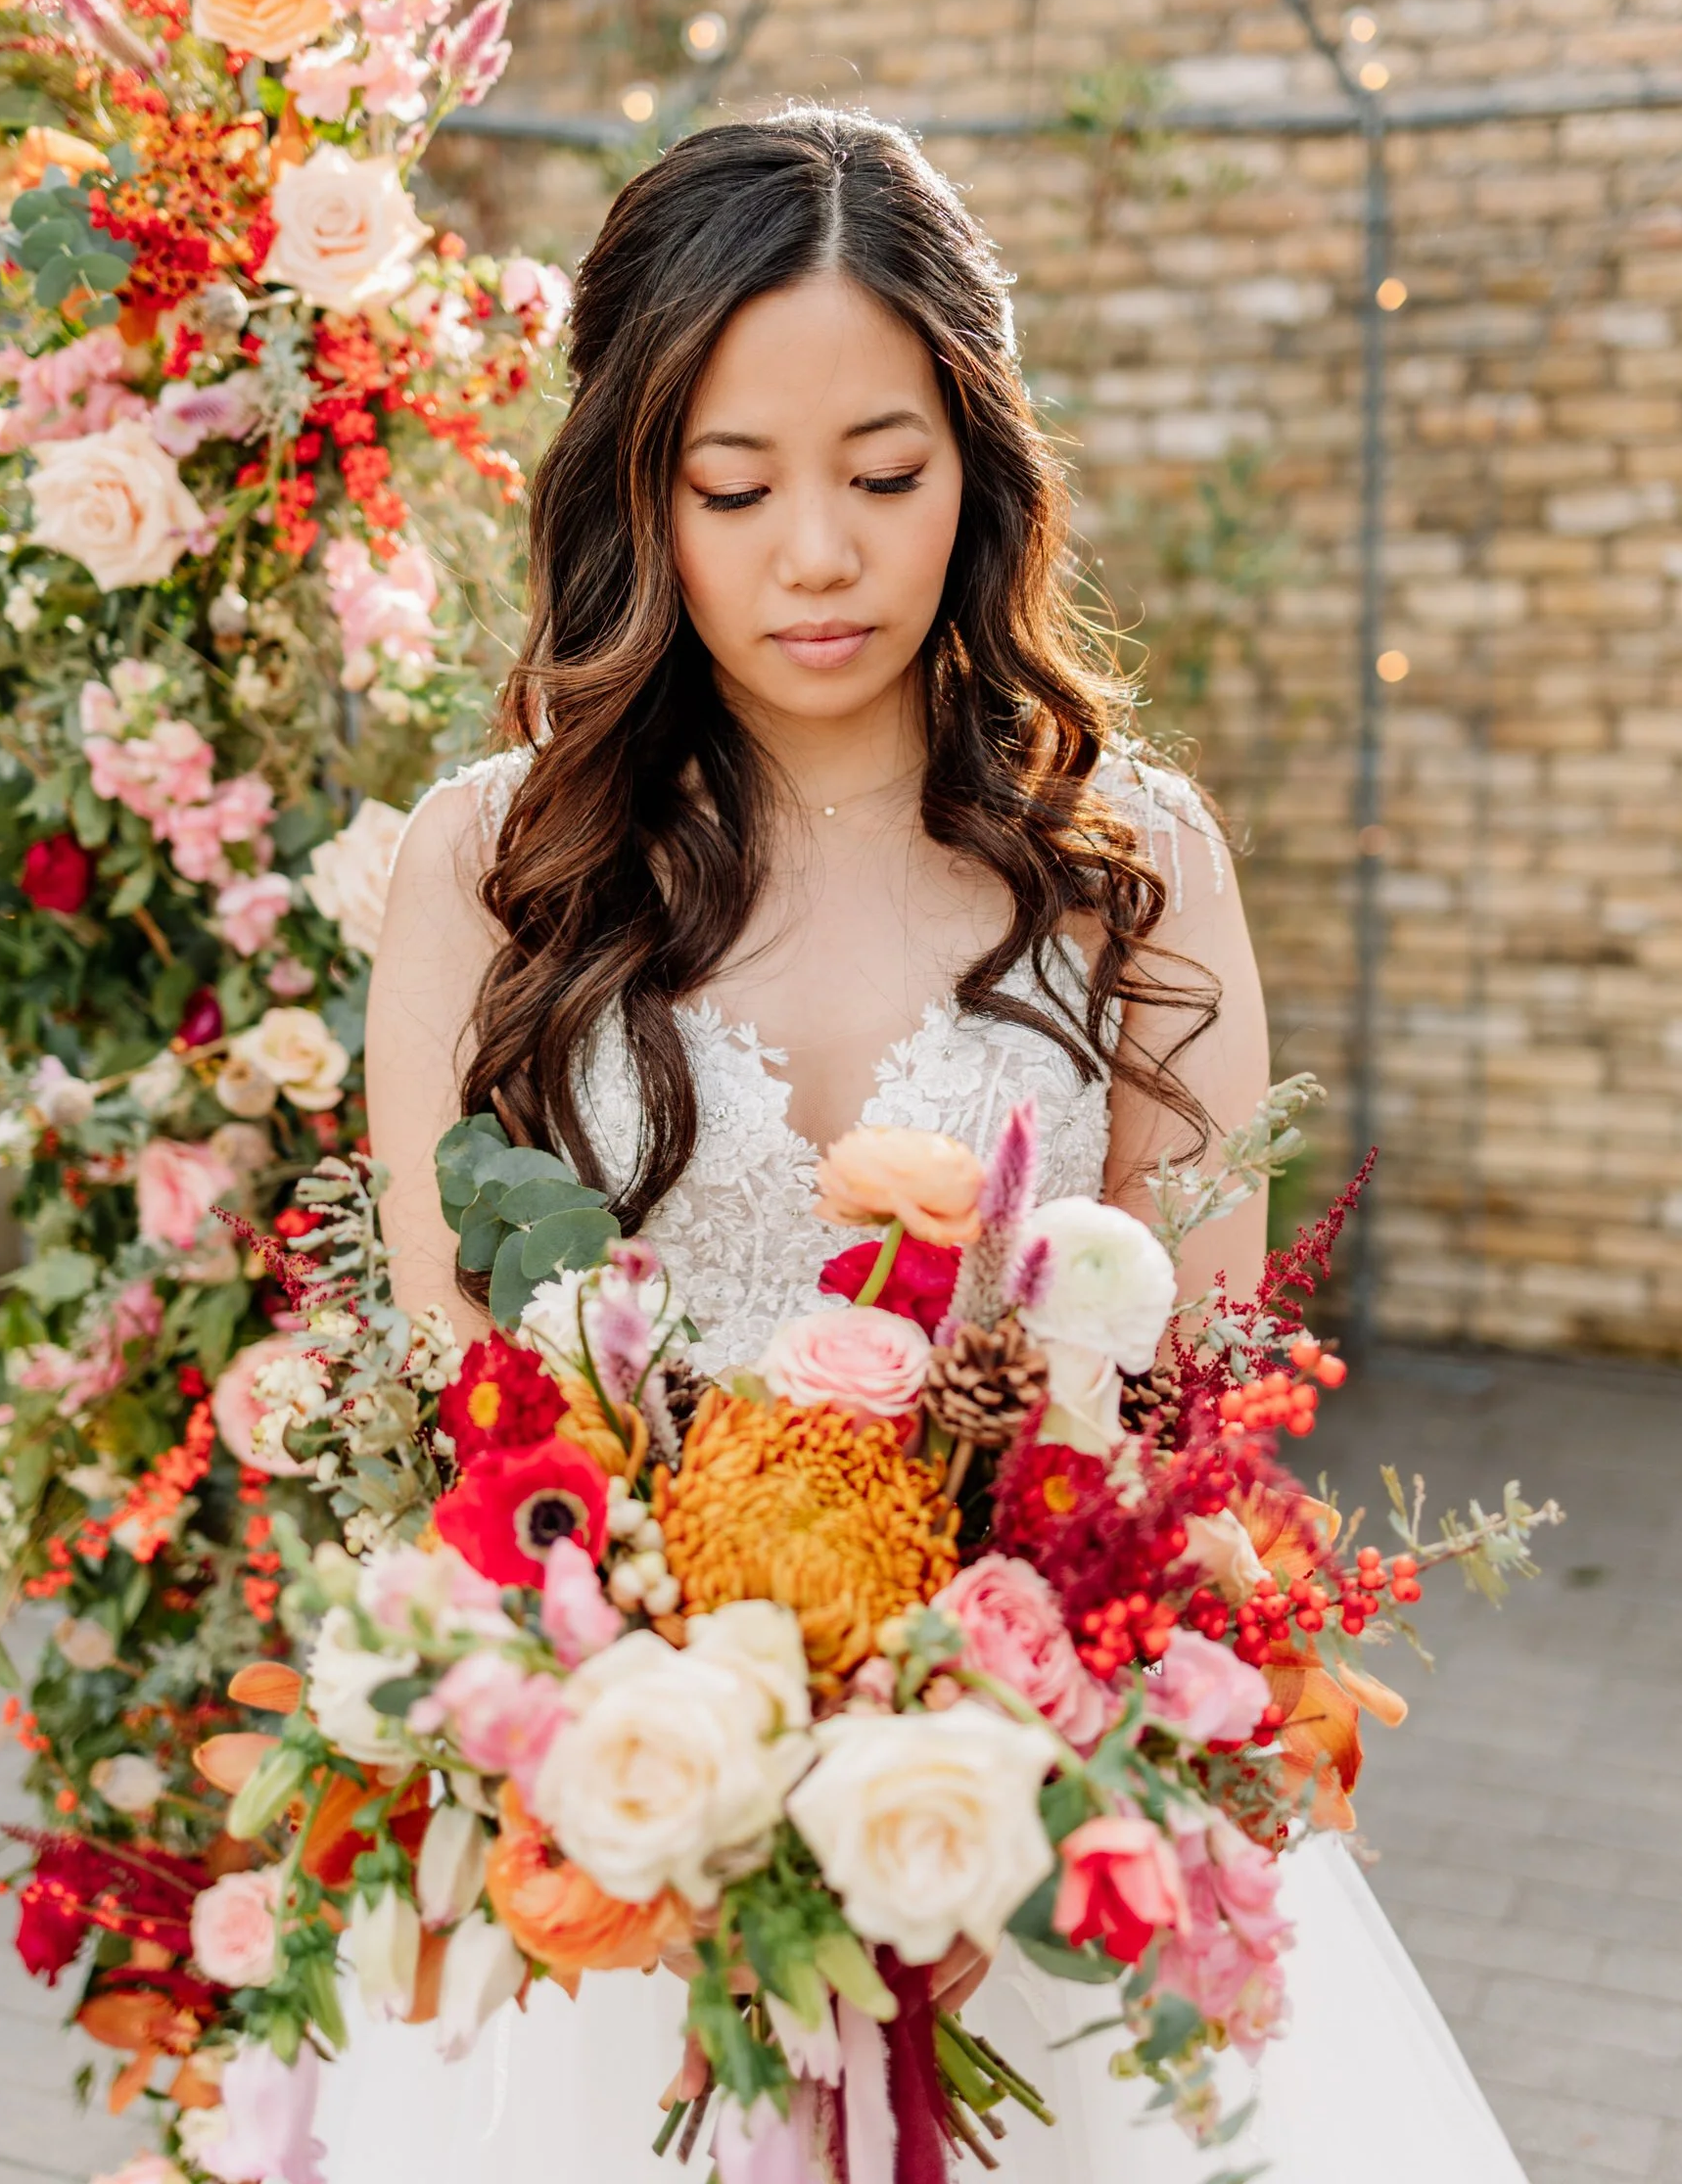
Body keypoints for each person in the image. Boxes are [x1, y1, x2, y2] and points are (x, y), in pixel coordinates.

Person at [318, 110, 1525, 2183]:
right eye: (735, 485)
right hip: (623, 1805)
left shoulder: (1128, 863)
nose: (818, 553)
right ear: (636, 491)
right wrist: (680, 1730)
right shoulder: (492, 865)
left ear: (977, 469)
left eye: (884, 475)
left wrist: (990, 1689)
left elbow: (1198, 1386)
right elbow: (464, 1387)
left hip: (1025, 1796)